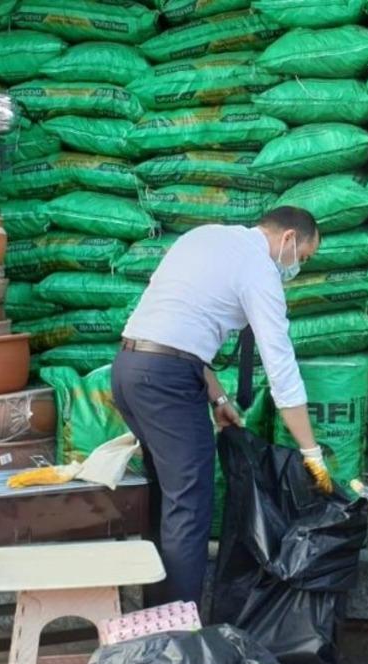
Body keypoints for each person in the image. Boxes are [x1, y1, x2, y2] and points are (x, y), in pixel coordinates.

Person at [111, 206, 329, 607]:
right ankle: (180, 639)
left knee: (165, 501)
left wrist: (219, 398)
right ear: (288, 240)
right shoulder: (260, 270)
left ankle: (156, 623)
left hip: (129, 369)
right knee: (189, 510)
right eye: (303, 258)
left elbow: (179, 328)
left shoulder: (205, 234)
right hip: (167, 382)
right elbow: (281, 368)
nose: (297, 267)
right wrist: (311, 452)